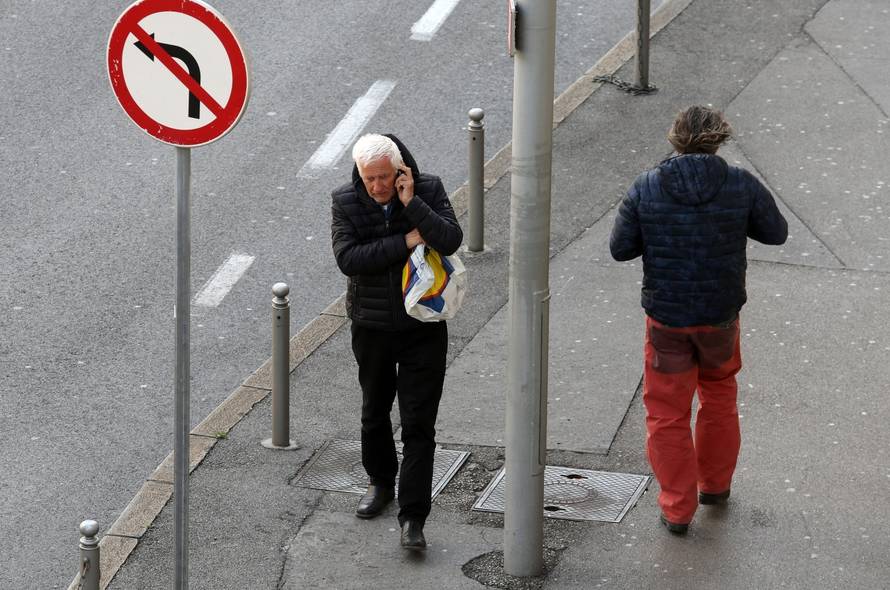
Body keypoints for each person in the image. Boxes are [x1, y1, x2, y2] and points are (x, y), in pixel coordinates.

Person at [610, 105, 788, 535]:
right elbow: (776, 232)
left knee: (667, 413)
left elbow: (621, 249)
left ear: (674, 137)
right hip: (720, 316)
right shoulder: (739, 183)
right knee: (720, 396)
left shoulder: (647, 186)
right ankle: (715, 487)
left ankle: (676, 509)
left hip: (667, 320)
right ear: (719, 138)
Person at [330, 133, 463, 550]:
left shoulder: (427, 189)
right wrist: (405, 241)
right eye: (369, 179)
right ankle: (380, 482)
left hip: (423, 325)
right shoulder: (345, 200)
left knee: (418, 424)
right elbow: (349, 259)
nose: (377, 187)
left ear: (400, 170)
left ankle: (414, 517)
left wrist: (412, 204)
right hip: (371, 325)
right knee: (374, 411)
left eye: (385, 177)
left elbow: (450, 239)